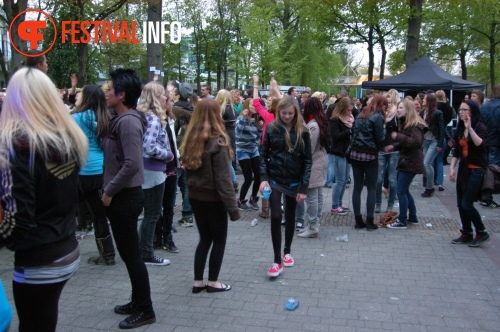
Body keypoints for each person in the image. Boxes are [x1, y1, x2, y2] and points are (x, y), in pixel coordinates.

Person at [0, 67, 88, 331]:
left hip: (40, 259)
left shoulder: (18, 147)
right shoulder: (68, 138)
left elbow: (19, 219)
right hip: (66, 249)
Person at [102, 68, 156, 329]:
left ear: (122, 95)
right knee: (130, 254)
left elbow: (133, 163)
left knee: (132, 256)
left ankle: (145, 310)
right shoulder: (123, 119)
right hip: (123, 197)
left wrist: (109, 191)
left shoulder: (128, 122)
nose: (107, 92)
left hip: (125, 198)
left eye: (110, 89)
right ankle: (137, 301)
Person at [180, 99, 241, 293]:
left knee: (204, 239)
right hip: (214, 200)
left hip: (196, 197)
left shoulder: (190, 139)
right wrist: (233, 209)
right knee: (219, 240)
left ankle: (198, 281)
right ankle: (213, 282)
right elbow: (223, 180)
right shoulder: (218, 141)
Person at [259, 95, 312, 277]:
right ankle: (276, 261)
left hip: (294, 181)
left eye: (290, 113)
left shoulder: (303, 131)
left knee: (290, 217)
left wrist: (304, 188)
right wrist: (264, 178)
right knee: (275, 215)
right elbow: (263, 154)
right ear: (278, 112)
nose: (287, 116)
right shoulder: (272, 128)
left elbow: (307, 161)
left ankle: (287, 251)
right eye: (284, 113)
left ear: (295, 112)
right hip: (274, 179)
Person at [71, 85, 116, 266]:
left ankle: (107, 254)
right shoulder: (106, 117)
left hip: (85, 170)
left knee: (95, 214)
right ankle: (108, 252)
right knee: (101, 213)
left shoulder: (76, 118)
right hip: (103, 168)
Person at [137, 82, 174, 266]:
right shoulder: (152, 118)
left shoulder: (144, 116)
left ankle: (142, 250)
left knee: (150, 213)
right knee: (152, 213)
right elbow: (149, 146)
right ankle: (146, 253)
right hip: (152, 170)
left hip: (149, 169)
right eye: (162, 95)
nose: (165, 98)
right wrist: (168, 154)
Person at [450, 100, 490, 247]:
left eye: (465, 110)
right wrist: (452, 167)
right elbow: (456, 150)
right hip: (464, 169)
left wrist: (470, 129)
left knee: (467, 203)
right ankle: (466, 232)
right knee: (461, 204)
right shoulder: (460, 128)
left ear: (472, 112)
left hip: (476, 169)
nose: (461, 112)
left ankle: (481, 231)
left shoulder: (480, 127)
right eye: (460, 110)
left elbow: (481, 145)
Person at [385, 100, 427, 229]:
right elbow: (408, 142)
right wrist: (394, 146)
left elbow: (416, 142)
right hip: (407, 161)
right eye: (398, 107)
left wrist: (398, 137)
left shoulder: (414, 125)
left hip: (410, 162)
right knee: (404, 190)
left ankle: (402, 220)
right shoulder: (407, 124)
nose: (398, 110)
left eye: (401, 108)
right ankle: (412, 216)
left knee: (401, 191)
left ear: (408, 110)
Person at [350, 95, 387, 230]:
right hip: (370, 155)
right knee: (371, 188)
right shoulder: (378, 117)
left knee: (357, 187)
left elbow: (354, 132)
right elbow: (380, 139)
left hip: (355, 154)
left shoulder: (361, 114)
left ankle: (358, 220)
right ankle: (370, 221)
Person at [297, 97, 328, 238]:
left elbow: (309, 148)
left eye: (305, 107)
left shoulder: (313, 126)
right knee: (317, 195)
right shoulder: (319, 122)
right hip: (319, 161)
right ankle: (313, 224)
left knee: (312, 196)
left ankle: (313, 224)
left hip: (315, 163)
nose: (303, 109)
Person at [155, 93, 180, 253]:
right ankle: (158, 237)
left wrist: (177, 157)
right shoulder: (155, 121)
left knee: (169, 205)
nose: (172, 103)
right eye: (170, 101)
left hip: (172, 167)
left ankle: (168, 236)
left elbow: (173, 142)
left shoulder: (171, 119)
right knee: (157, 206)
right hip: (159, 167)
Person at [375, 90, 400, 213]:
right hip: (381, 150)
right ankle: (378, 203)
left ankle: (390, 204)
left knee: (391, 179)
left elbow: (400, 135)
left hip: (393, 151)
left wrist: (394, 145)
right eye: (386, 103)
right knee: (379, 178)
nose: (388, 105)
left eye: (390, 102)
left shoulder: (396, 116)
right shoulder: (379, 115)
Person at [329, 97, 354, 217]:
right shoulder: (335, 120)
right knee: (339, 181)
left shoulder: (350, 119)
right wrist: (348, 132)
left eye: (351, 110)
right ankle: (334, 205)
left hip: (347, 152)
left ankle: (339, 203)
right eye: (348, 110)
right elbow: (335, 136)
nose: (350, 113)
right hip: (338, 152)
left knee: (344, 181)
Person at [235, 98, 262, 211]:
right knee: (248, 178)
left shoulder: (255, 119)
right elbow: (237, 132)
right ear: (247, 105)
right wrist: (242, 118)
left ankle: (253, 198)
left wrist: (260, 127)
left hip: (253, 149)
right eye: (252, 105)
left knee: (258, 176)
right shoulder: (241, 118)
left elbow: (258, 137)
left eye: (256, 105)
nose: (255, 107)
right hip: (242, 150)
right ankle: (241, 200)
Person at [480, 84, 500, 208]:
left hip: (485, 141)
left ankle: (485, 193)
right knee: (493, 170)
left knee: (487, 167)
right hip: (496, 142)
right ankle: (487, 194)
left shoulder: (484, 107)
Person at [421, 93, 445, 197]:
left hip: (434, 140)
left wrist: (440, 143)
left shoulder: (437, 113)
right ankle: (428, 184)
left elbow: (442, 128)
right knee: (427, 164)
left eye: (425, 99)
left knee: (427, 163)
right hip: (425, 140)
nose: (422, 100)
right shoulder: (423, 112)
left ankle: (430, 187)